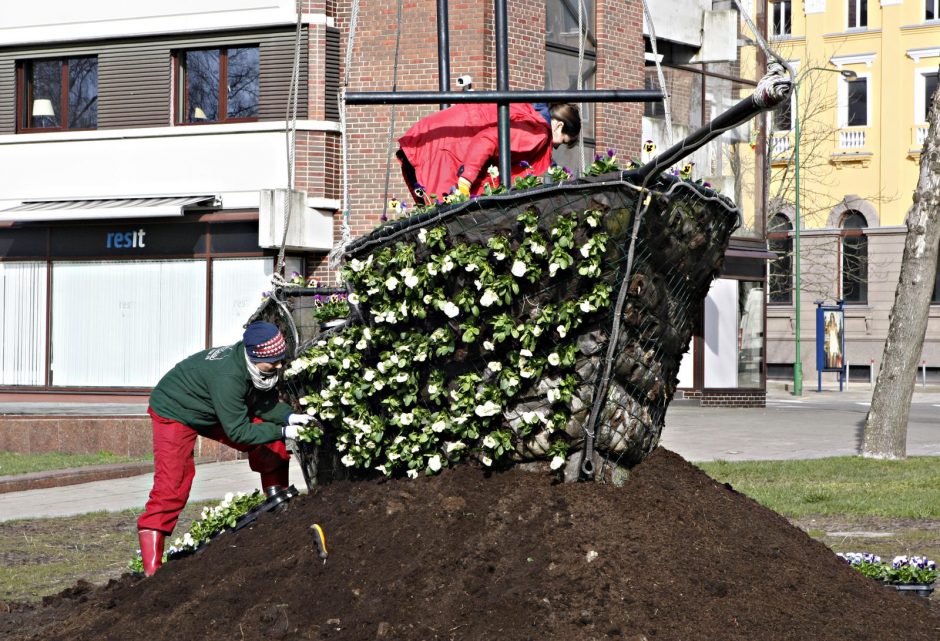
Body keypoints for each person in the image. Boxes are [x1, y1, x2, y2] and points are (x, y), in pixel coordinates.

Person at [136, 321, 311, 576]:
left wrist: (288, 418)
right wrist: (283, 431)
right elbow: (238, 431)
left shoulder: (249, 366)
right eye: (273, 361)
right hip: (175, 410)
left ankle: (279, 502)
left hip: (210, 407)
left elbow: (261, 404)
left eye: (280, 360)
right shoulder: (228, 377)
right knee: (173, 483)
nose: (279, 366)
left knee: (268, 439)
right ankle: (152, 570)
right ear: (254, 356)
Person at [397, 102, 581, 204]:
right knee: (443, 220)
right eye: (561, 142)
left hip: (429, 147)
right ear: (558, 125)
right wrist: (465, 182)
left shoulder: (525, 111)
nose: (555, 148)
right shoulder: (538, 132)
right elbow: (488, 140)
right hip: (442, 155)